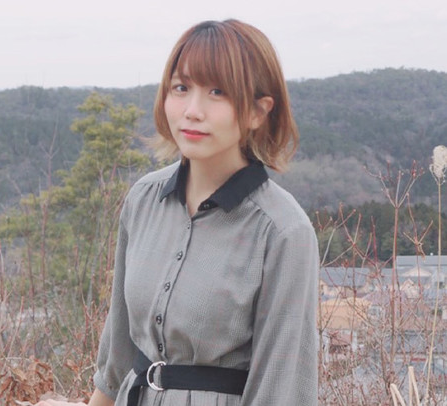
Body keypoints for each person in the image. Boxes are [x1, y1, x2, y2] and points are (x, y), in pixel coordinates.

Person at [37, 18, 319, 406]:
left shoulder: (282, 231)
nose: (192, 111)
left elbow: (281, 389)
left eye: (217, 92)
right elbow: (118, 356)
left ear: (258, 111)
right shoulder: (144, 200)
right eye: (181, 88)